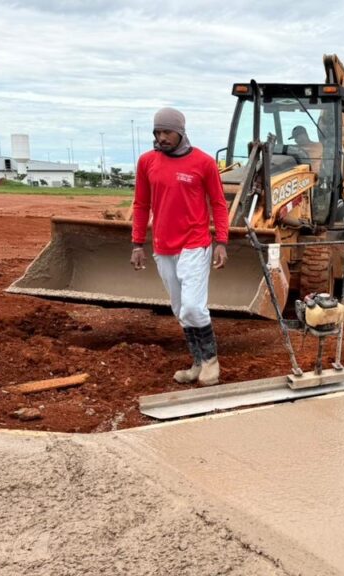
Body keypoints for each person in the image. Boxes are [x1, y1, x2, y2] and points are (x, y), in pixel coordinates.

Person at [130, 107, 229, 386]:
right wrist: (137, 243)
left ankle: (211, 362)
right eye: (157, 132)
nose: (161, 138)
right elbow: (141, 204)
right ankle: (197, 363)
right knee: (179, 309)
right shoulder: (147, 162)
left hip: (195, 243)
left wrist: (221, 241)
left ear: (181, 132)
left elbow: (219, 204)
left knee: (193, 308)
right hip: (163, 247)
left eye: (166, 132)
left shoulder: (204, 163)